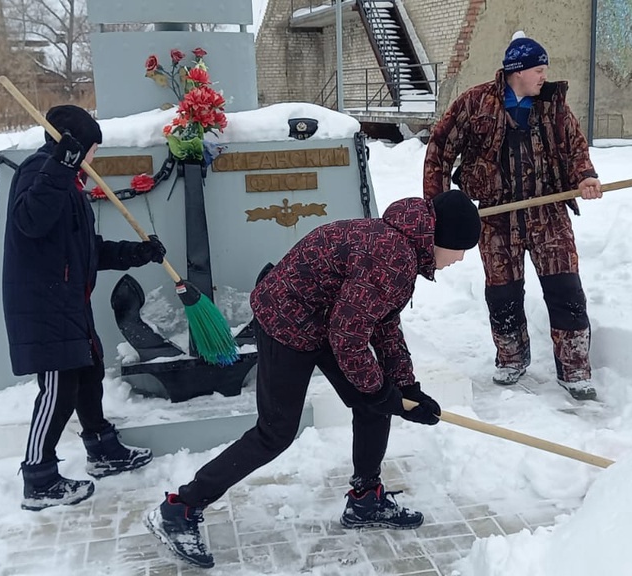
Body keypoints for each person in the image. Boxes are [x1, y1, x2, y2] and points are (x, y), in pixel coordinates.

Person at [143, 190, 483, 568]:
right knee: (276, 432)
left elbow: (382, 322)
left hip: (324, 320)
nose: (461, 259)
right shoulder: (393, 256)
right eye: (461, 249)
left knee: (374, 405)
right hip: (287, 321)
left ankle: (366, 499)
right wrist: (380, 390)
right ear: (441, 238)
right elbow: (349, 337)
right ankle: (180, 508)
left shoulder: (402, 243)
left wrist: (405, 387)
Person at [2, 105, 167, 511]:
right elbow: (29, 222)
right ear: (73, 146)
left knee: (89, 374)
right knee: (57, 391)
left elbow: (84, 249)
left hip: (68, 301)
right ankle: (38, 478)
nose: (94, 157)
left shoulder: (67, 183)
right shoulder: (39, 172)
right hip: (43, 304)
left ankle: (102, 448)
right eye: (91, 148)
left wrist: (138, 253)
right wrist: (60, 166)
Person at [423, 33, 603, 401]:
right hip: (496, 216)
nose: (544, 76)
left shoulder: (552, 105)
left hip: (548, 212)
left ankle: (575, 369)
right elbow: (440, 148)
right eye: (538, 70)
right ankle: (511, 358)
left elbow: (574, 148)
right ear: (516, 72)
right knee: (503, 294)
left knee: (566, 289)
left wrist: (585, 176)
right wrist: (439, 206)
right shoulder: (476, 104)